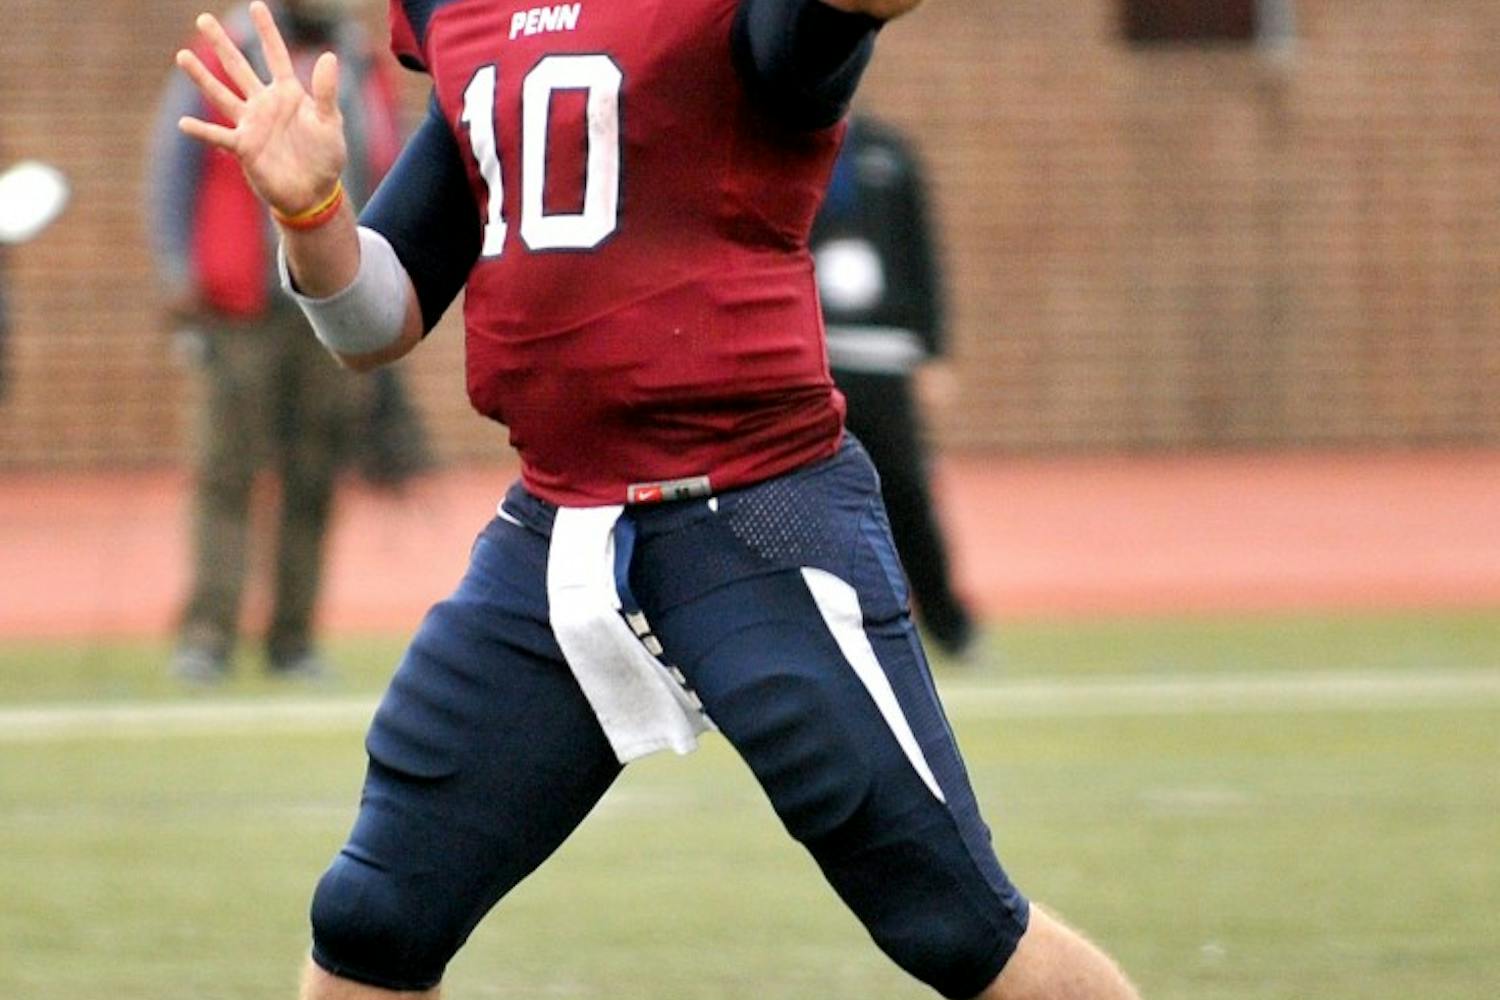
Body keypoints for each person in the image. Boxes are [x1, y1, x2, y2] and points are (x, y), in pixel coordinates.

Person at [172, 2, 1141, 998]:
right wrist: (311, 213)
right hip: (556, 531)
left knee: (953, 922)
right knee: (374, 920)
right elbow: (373, 321)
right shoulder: (463, 14)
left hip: (756, 513)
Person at [148, 0, 404, 682]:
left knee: (315, 473)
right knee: (226, 470)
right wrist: (181, 271)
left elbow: (385, 165)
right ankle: (208, 633)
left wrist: (382, 283)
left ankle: (294, 638)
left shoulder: (357, 58)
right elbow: (173, 166)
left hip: (329, 304)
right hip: (240, 305)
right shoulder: (227, 47)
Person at [811, 113, 977, 658]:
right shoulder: (781, 143)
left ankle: (949, 625)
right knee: (800, 494)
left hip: (884, 355)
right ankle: (816, 628)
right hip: (811, 355)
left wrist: (933, 351)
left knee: (906, 490)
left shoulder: (890, 152)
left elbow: (922, 255)